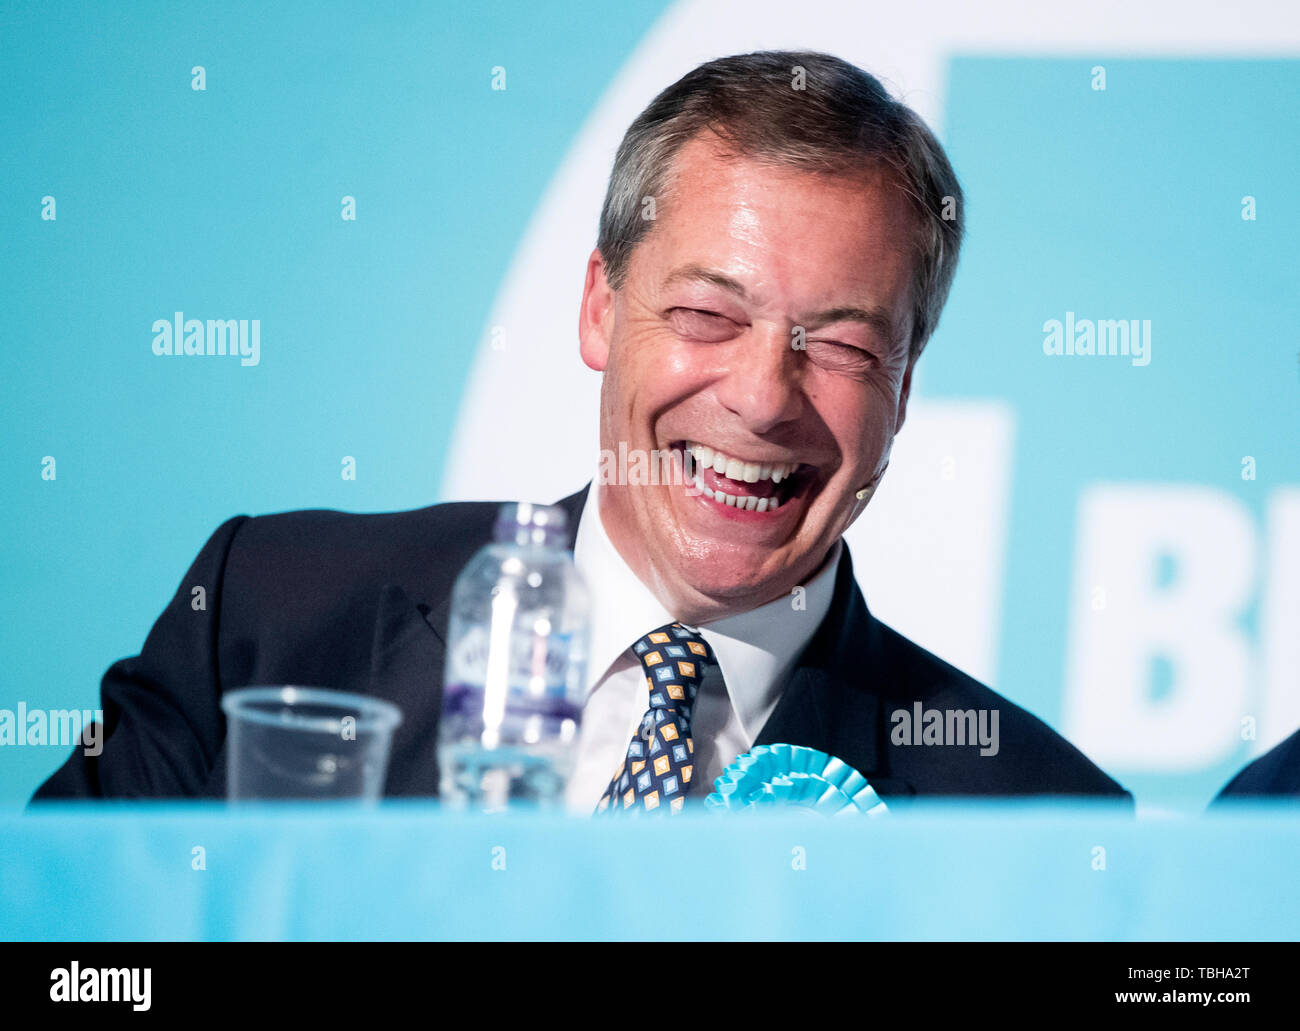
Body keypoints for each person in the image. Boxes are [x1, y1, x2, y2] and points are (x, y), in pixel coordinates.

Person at [32, 50, 1130, 812]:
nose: (761, 395)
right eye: (707, 314)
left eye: (839, 345)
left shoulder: (1031, 814)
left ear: (904, 382)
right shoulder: (268, 615)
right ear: (600, 306)